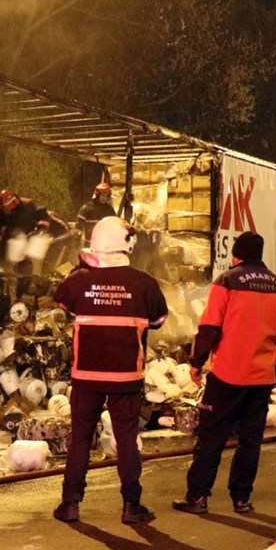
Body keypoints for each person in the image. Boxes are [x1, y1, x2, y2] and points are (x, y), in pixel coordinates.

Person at [52, 217, 168, 524]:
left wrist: (84, 270)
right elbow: (158, 320)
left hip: (86, 375)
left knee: (80, 438)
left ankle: (70, 503)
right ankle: (131, 505)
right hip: (126, 376)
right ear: (127, 245)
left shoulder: (78, 280)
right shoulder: (144, 283)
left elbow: (61, 303)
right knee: (126, 438)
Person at [172, 232, 276, 515]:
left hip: (227, 376)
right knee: (250, 442)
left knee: (211, 439)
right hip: (261, 379)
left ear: (236, 254)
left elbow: (210, 327)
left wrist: (196, 361)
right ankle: (241, 499)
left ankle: (198, 497)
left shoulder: (227, 281)